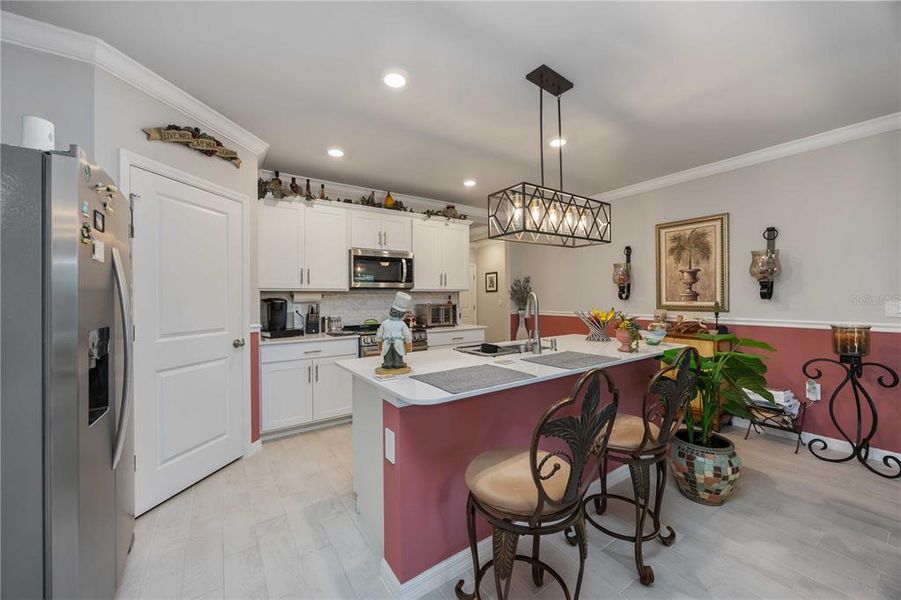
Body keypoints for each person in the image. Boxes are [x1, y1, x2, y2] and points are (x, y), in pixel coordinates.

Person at [376, 292, 413, 370]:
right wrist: (408, 341)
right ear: (402, 314)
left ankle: (387, 364)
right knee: (398, 354)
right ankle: (398, 363)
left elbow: (379, 334)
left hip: (386, 342)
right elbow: (407, 335)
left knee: (387, 354)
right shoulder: (402, 324)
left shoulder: (384, 323)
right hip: (398, 342)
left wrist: (379, 341)